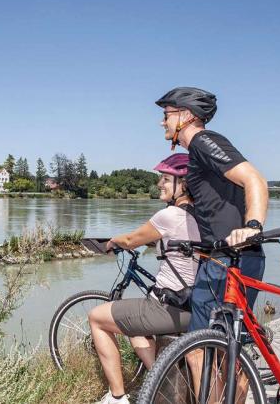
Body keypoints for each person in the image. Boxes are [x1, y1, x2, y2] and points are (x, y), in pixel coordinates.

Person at [88, 153, 201, 404]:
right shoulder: (200, 215)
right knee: (132, 323)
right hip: (194, 304)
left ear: (183, 184)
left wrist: (112, 242)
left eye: (164, 179)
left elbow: (131, 240)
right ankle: (159, 379)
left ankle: (117, 397)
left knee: (97, 317)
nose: (159, 184)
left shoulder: (169, 215)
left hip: (168, 307)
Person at [155, 86, 269, 332]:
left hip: (234, 256)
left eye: (166, 115)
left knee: (202, 341)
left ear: (185, 115)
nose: (161, 122)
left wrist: (252, 227)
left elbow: (254, 179)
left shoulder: (203, 141)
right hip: (220, 256)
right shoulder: (197, 151)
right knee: (221, 341)